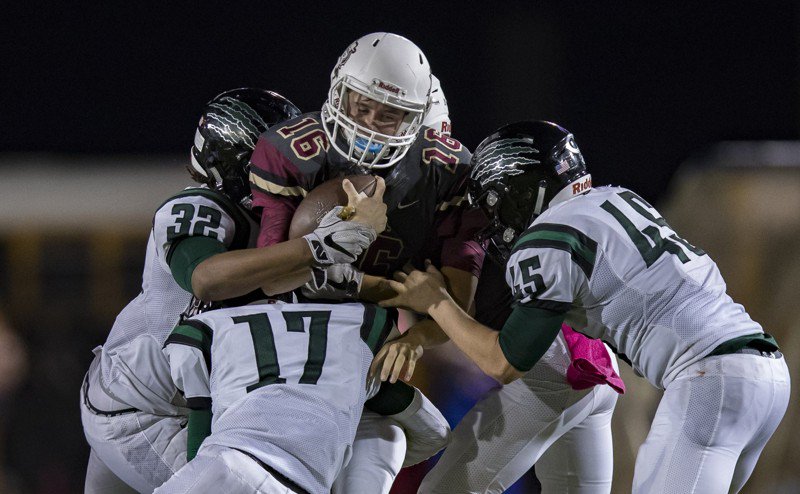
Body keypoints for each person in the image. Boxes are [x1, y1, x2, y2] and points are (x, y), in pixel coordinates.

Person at [382, 120, 791, 494]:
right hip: (767, 374)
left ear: (521, 189)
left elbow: (504, 363)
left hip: (709, 380)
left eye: (495, 199)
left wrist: (435, 300)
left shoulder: (548, 239)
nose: (492, 217)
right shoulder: (619, 198)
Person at [79, 88, 387, 493]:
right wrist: (314, 248)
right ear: (237, 162)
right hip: (144, 410)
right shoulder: (199, 207)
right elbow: (207, 278)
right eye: (284, 162)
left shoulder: (283, 231)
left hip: (191, 402)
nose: (302, 173)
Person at [248, 32, 482, 493]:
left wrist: (417, 337)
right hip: (281, 341)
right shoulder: (292, 151)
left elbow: (456, 304)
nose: (371, 123)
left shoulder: (446, 171)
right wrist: (373, 277)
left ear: (417, 120)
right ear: (339, 90)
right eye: (361, 105)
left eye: (389, 114)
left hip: (368, 351)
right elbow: (269, 279)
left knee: (424, 435)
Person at [155, 298, 450, 494]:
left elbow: (200, 415)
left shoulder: (211, 323)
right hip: (304, 486)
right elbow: (435, 433)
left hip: (229, 462)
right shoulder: (365, 328)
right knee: (388, 432)